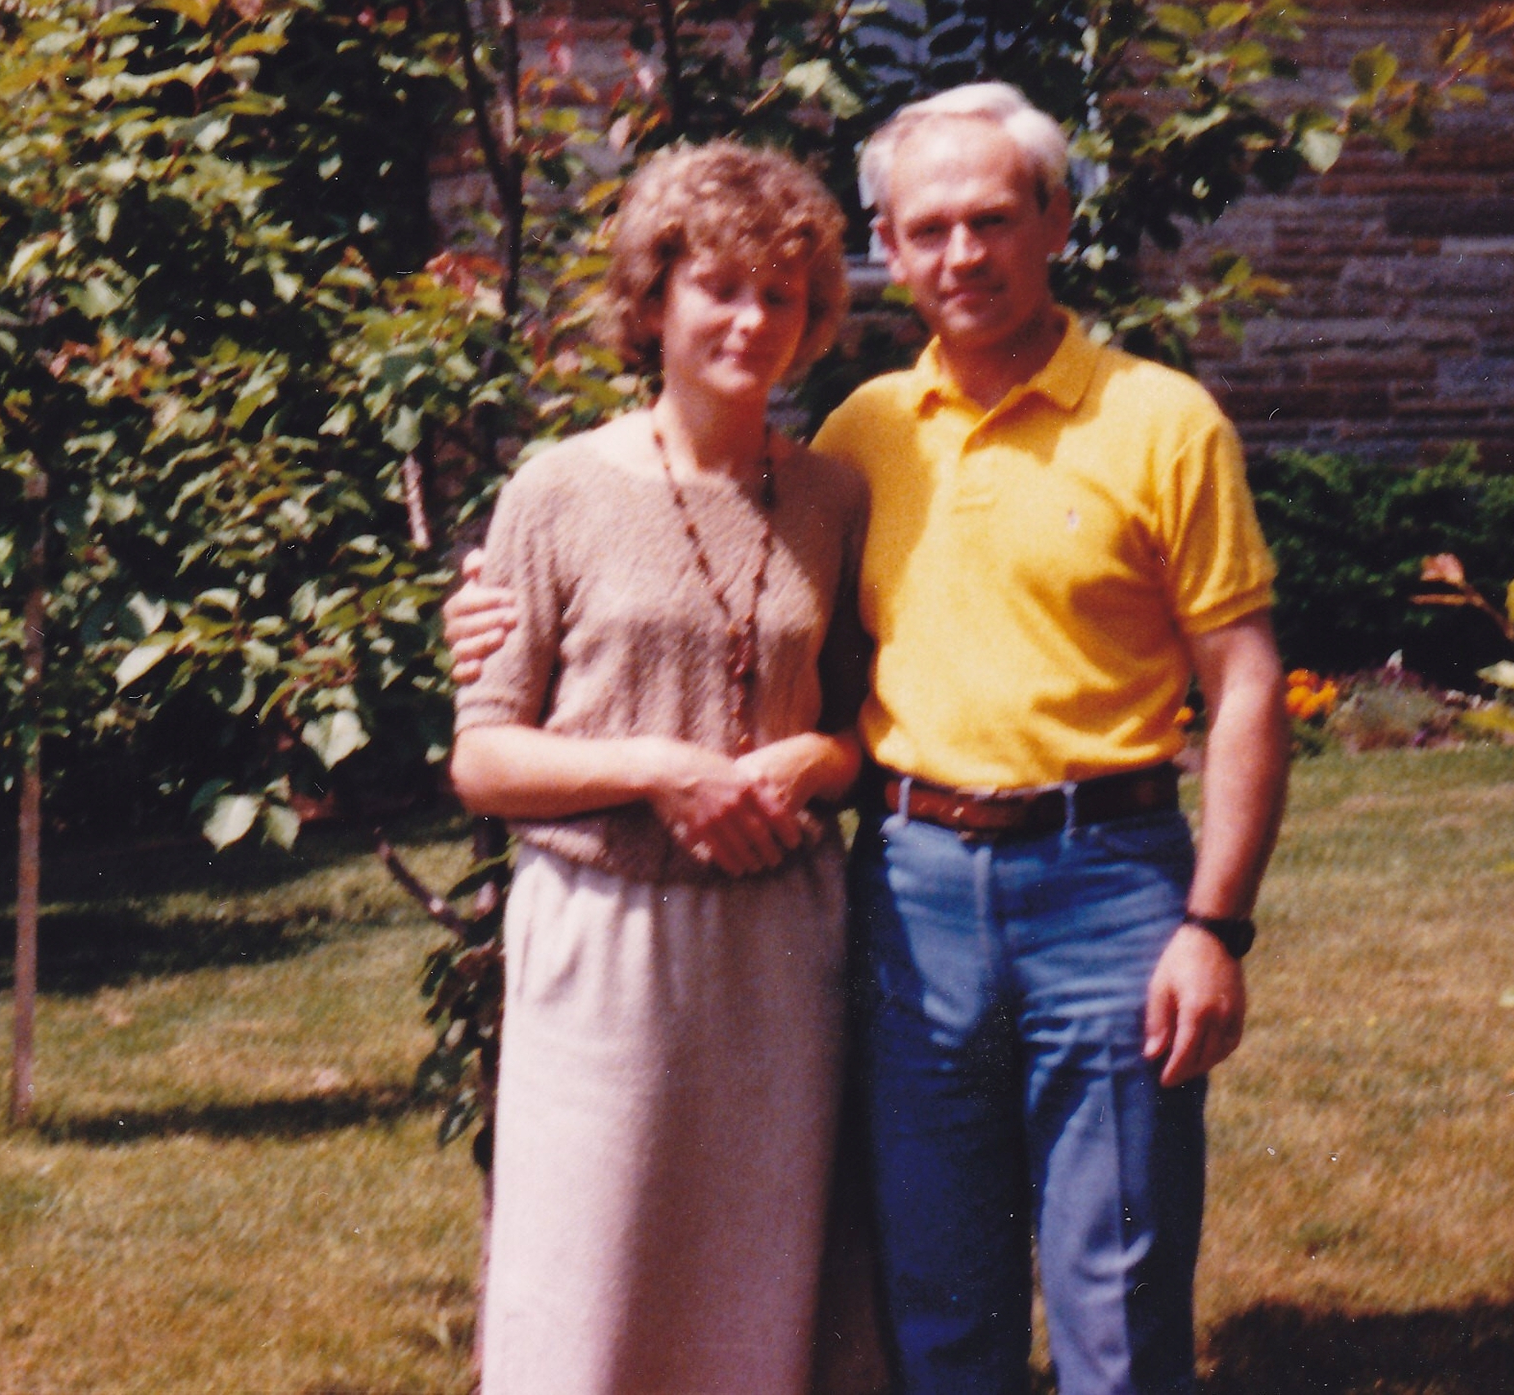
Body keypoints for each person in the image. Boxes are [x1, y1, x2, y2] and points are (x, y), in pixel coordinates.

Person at [450, 83, 1290, 1395]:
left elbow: (1243, 687)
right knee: (928, 1303)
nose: (963, 253)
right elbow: (592, 708)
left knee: (1118, 1300)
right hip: (912, 892)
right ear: (889, 246)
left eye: (993, 219)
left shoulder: (1149, 422)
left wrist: (1215, 924)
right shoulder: (862, 437)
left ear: (1055, 220)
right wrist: (500, 623)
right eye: (928, 227)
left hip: (1104, 886)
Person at [448, 140, 877, 1395]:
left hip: (780, 936)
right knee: (591, 1273)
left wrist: (811, 760)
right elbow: (483, 757)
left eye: (780, 295)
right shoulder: (557, 491)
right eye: (719, 288)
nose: (751, 320)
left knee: (760, 1276)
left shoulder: (833, 496)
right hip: (605, 939)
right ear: (653, 300)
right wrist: (655, 767)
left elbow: (868, 727)